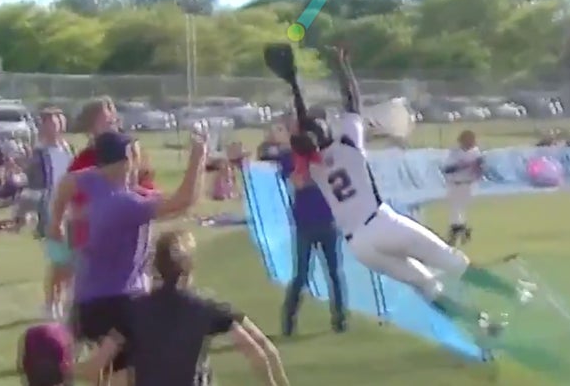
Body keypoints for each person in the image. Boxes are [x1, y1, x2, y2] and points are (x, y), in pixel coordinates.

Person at [270, 43, 534, 338]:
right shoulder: (346, 145)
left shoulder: (312, 166)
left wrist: (294, 83)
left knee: (426, 287)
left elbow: (306, 133)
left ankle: (480, 323)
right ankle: (513, 294)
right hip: (383, 223)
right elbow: (351, 100)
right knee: (451, 261)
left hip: (360, 246)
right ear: (325, 132)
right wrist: (341, 67)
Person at [49, 129, 207, 384]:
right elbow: (183, 200)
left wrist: (56, 221)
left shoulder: (94, 181)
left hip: (86, 300)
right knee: (129, 375)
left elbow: (66, 183)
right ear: (127, 159)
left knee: (108, 371)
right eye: (137, 152)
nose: (142, 159)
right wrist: (199, 155)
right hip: (118, 304)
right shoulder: (123, 205)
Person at [116, 230, 290, 386]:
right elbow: (257, 349)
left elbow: (107, 368)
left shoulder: (134, 311)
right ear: (189, 267)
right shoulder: (205, 308)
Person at [273, 135, 346, 336]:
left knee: (334, 273)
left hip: (328, 221)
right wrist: (312, 172)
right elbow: (297, 183)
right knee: (301, 275)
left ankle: (340, 321)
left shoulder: (327, 156)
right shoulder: (291, 157)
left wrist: (314, 173)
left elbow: (332, 181)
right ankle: (288, 321)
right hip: (305, 223)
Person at [24, 109, 74, 319]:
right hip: (51, 211)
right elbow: (33, 182)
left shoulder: (68, 149)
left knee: (71, 261)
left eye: (57, 122)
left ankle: (61, 300)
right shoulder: (40, 153)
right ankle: (50, 303)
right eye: (50, 123)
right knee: (58, 260)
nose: (55, 127)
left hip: (72, 211)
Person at [442, 130, 483, 246]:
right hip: (454, 183)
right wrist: (461, 166)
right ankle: (462, 231)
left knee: (457, 209)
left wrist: (477, 167)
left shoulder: (476, 153)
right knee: (456, 210)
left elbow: (480, 169)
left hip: (468, 184)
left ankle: (456, 233)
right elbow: (447, 169)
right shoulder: (454, 152)